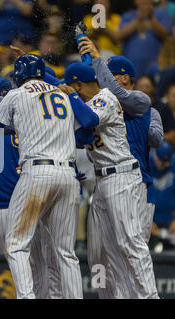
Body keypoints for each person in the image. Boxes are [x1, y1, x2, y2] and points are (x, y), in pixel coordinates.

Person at [0, 55, 85, 298]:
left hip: (37, 172)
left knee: (17, 245)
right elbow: (83, 131)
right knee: (65, 252)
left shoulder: (16, 94)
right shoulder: (62, 94)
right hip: (68, 176)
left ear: (18, 76)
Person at [64, 62, 158, 299]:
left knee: (131, 244)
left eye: (72, 87)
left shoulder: (104, 97)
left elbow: (87, 121)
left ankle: (150, 296)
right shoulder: (85, 104)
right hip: (103, 180)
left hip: (123, 176)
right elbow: (80, 134)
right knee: (109, 252)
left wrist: (72, 95)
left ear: (77, 84)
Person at [118, 0, 172, 77]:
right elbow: (120, 36)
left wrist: (151, 18)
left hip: (155, 65)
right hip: (130, 65)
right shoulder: (127, 15)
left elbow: (165, 35)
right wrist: (138, 19)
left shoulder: (162, 14)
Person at [148, 141, 175, 250]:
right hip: (150, 218)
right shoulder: (146, 163)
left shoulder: (173, 164)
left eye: (166, 162)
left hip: (170, 219)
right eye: (161, 161)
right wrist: (146, 219)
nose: (163, 165)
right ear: (155, 156)